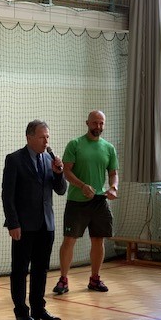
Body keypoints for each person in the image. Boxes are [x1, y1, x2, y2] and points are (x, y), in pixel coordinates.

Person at [2, 120, 67, 320]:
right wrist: (13, 223)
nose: (46, 141)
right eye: (42, 137)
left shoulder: (49, 159)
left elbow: (61, 190)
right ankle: (22, 312)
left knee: (41, 269)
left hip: (46, 225)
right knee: (20, 270)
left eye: (47, 137)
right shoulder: (14, 159)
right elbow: (7, 195)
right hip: (23, 226)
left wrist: (59, 173)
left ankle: (39, 309)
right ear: (29, 137)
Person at [54, 110, 119, 295]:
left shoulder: (109, 148)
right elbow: (66, 172)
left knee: (98, 240)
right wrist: (82, 186)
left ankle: (95, 279)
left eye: (101, 123)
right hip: (77, 202)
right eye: (95, 123)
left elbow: (113, 174)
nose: (98, 126)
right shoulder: (75, 144)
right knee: (69, 240)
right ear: (87, 123)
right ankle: (63, 280)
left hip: (99, 201)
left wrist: (113, 187)